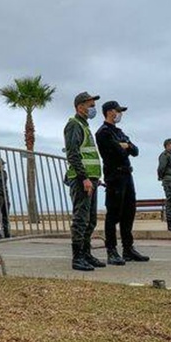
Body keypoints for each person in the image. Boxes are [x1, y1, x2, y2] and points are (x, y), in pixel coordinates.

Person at [95, 100, 149, 265]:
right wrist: (124, 146)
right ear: (110, 112)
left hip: (127, 176)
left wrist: (126, 145)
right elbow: (117, 151)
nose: (120, 114)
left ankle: (128, 249)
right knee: (113, 215)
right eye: (118, 111)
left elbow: (135, 150)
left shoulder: (119, 132)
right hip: (114, 176)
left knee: (129, 213)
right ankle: (111, 250)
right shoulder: (103, 132)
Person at [64, 91, 105, 271]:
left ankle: (86, 254)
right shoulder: (74, 125)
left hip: (91, 180)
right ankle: (77, 257)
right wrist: (85, 178)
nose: (93, 109)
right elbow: (73, 154)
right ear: (80, 106)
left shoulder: (84, 125)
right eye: (90, 105)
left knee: (90, 220)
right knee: (81, 219)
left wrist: (96, 178)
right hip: (82, 180)